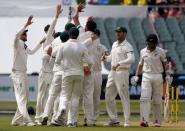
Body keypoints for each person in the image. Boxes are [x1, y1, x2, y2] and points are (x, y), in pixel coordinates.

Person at [54, 27, 92, 127]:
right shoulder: (82, 46)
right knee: (75, 97)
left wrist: (65, 65)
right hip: (79, 74)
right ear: (78, 35)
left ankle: (62, 108)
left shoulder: (63, 45)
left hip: (67, 73)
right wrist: (85, 66)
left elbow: (57, 61)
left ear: (69, 34)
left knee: (65, 95)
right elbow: (90, 61)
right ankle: (72, 121)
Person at [131, 34, 170, 127]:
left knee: (157, 100)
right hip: (146, 76)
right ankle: (144, 120)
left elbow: (165, 64)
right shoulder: (143, 51)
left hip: (158, 76)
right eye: (149, 43)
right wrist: (136, 75)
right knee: (144, 98)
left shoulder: (161, 51)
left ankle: (157, 121)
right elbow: (140, 64)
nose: (151, 45)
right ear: (147, 42)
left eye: (153, 43)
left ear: (156, 43)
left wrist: (168, 74)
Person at [10, 16, 43, 126]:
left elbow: (32, 52)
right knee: (21, 97)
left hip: (23, 73)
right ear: (20, 35)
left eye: (26, 33)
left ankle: (16, 120)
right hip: (17, 73)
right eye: (24, 34)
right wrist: (26, 24)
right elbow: (15, 35)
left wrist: (40, 42)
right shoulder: (16, 43)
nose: (26, 35)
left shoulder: (23, 45)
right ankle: (27, 120)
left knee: (25, 97)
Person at [35, 4, 62, 125]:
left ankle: (50, 117)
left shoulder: (57, 42)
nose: (51, 32)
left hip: (53, 73)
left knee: (53, 96)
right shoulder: (47, 41)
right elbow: (51, 28)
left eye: (52, 31)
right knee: (41, 96)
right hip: (44, 73)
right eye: (50, 31)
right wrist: (56, 16)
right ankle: (38, 117)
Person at [102, 26, 135, 127]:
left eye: (119, 32)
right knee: (108, 96)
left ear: (125, 34)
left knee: (124, 97)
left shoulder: (128, 46)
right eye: (117, 32)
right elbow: (111, 58)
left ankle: (127, 121)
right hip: (113, 72)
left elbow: (132, 59)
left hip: (122, 72)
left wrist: (119, 63)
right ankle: (114, 119)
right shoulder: (114, 44)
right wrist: (105, 58)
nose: (117, 34)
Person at [72, 4, 97, 126]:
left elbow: (75, 19)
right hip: (89, 68)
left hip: (80, 66)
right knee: (88, 95)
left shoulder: (81, 31)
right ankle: (90, 120)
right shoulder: (95, 38)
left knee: (77, 95)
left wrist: (77, 10)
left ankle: (73, 120)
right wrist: (90, 22)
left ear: (86, 26)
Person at [83, 29, 107, 123]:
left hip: (97, 72)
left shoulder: (101, 47)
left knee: (96, 96)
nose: (92, 35)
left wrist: (105, 56)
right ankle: (87, 116)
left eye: (93, 34)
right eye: (92, 34)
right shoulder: (86, 45)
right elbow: (82, 46)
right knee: (88, 95)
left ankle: (94, 117)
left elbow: (106, 55)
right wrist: (90, 39)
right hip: (88, 72)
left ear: (98, 35)